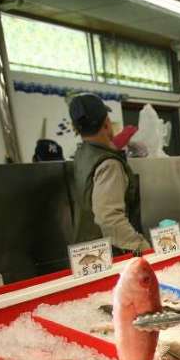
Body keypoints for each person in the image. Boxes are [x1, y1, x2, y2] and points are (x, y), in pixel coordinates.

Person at [68, 93, 150, 254]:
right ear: (106, 124)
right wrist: (143, 248)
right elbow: (110, 219)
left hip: (87, 248)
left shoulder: (81, 154)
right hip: (108, 252)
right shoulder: (109, 164)